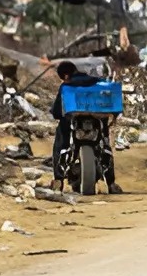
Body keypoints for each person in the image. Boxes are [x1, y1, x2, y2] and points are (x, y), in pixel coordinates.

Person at [50, 60, 122, 193]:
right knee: (105, 146)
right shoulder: (96, 82)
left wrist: (57, 114)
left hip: (74, 119)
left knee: (60, 144)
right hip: (97, 119)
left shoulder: (66, 87)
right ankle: (111, 183)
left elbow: (57, 111)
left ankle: (58, 180)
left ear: (66, 76)